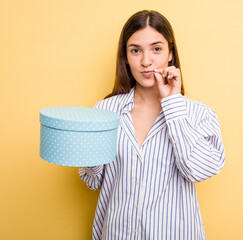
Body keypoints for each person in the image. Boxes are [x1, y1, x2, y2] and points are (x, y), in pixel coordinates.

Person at [79, 10, 225, 240]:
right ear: (125, 57)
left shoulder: (199, 114)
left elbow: (198, 170)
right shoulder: (105, 112)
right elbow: (92, 180)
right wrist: (84, 147)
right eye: (135, 50)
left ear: (170, 54)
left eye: (156, 49)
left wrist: (173, 105)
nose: (146, 61)